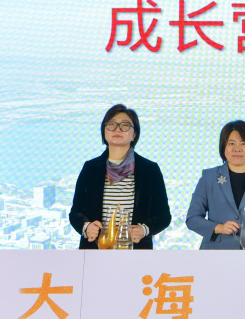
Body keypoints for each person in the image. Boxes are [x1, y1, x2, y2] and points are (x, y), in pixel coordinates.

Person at [69, 104, 171, 249]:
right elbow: (75, 213)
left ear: (134, 134)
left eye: (125, 125)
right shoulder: (91, 168)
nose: (117, 129)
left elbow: (164, 215)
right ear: (104, 131)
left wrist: (144, 229)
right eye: (111, 124)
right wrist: (86, 227)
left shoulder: (149, 170)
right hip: (95, 253)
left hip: (136, 254)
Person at [186, 120, 245, 249]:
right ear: (223, 146)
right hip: (215, 252)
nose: (237, 149)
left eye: (243, 143)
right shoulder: (209, 177)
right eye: (231, 143)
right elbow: (192, 218)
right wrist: (219, 228)